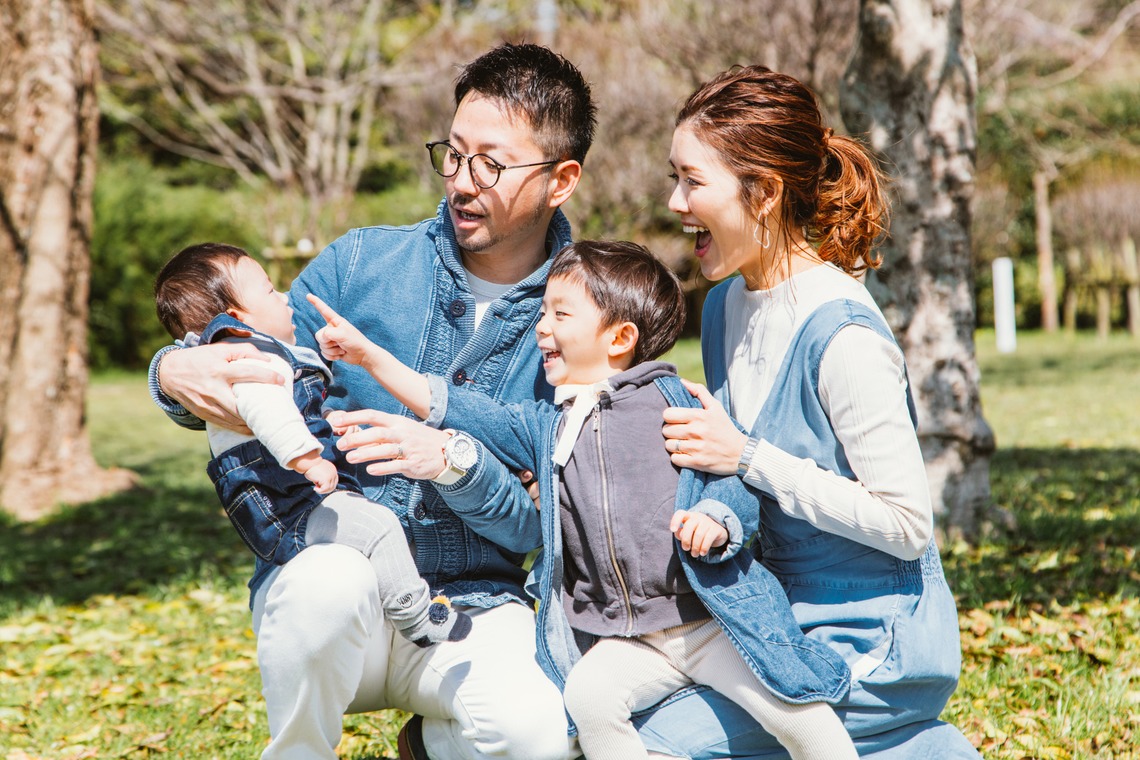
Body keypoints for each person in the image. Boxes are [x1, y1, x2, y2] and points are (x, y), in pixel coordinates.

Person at [147, 43, 594, 760]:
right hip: (331, 606)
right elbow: (249, 343)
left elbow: (538, 530)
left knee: (538, 734)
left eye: (492, 163)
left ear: (561, 179)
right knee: (332, 578)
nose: (462, 181)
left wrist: (455, 462)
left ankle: (427, 745)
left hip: (468, 609)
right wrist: (171, 370)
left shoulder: (587, 321)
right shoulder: (361, 264)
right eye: (452, 154)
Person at [313, 240, 859, 760]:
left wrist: (716, 519)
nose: (541, 329)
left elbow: (729, 480)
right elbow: (454, 406)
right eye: (542, 313)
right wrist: (369, 358)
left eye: (559, 315)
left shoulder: (673, 405)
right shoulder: (546, 426)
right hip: (628, 638)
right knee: (590, 701)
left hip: (708, 621)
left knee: (798, 712)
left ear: (618, 338)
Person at [642, 65, 982, 757]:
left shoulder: (844, 335)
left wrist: (745, 455)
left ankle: (910, 734)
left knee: (658, 743)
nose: (675, 201)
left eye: (692, 180)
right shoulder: (723, 309)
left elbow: (908, 524)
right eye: (674, 177)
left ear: (762, 192)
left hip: (872, 644)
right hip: (772, 623)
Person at [152, 243, 472, 647]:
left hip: (291, 502)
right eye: (270, 291)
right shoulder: (250, 363)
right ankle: (417, 618)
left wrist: (329, 430)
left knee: (368, 528)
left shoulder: (258, 354)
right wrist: (308, 459)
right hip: (290, 507)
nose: (285, 297)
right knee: (380, 526)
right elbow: (271, 413)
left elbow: (292, 413)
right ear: (236, 319)